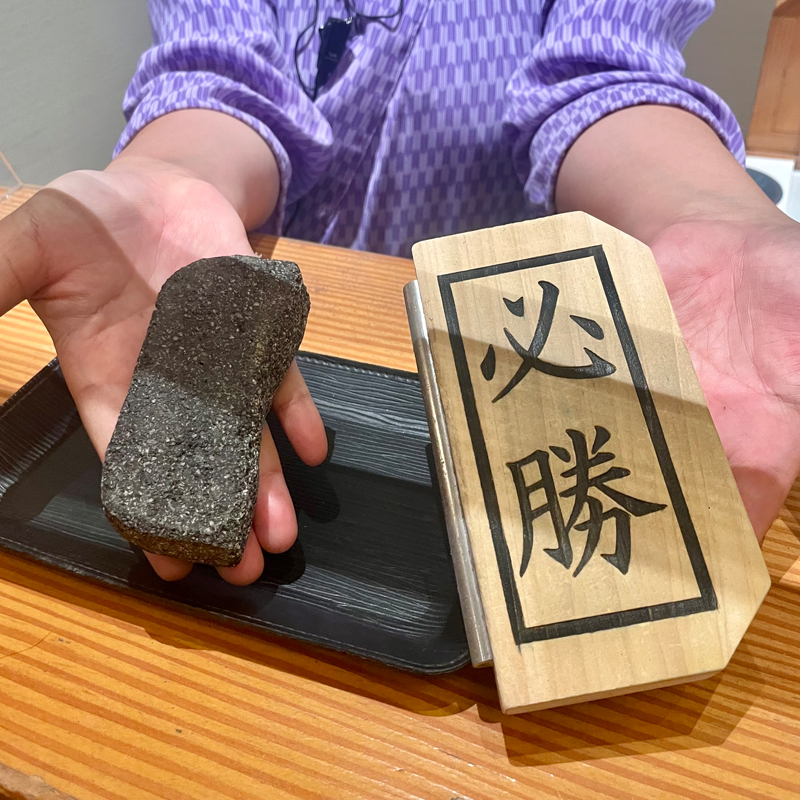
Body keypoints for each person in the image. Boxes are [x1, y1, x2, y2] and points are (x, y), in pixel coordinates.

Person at [1, 0, 797, 586]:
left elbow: (607, 71)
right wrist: (167, 180)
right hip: (274, 283)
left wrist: (710, 220)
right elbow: (220, 72)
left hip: (495, 349)